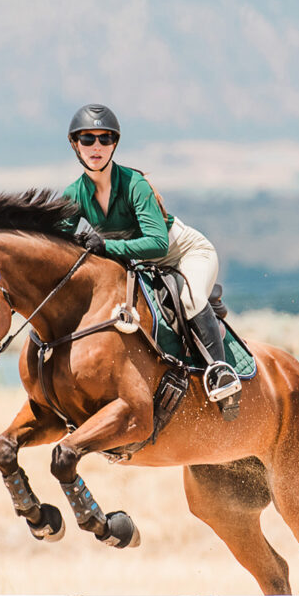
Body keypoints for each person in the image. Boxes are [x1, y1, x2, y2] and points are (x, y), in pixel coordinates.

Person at [62, 103, 241, 404]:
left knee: (189, 299)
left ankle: (220, 374)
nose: (97, 146)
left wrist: (106, 246)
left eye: (105, 139)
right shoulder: (73, 194)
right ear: (75, 145)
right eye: (87, 139)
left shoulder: (136, 185)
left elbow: (158, 243)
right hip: (144, 266)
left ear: (114, 144)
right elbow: (60, 244)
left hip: (184, 254)